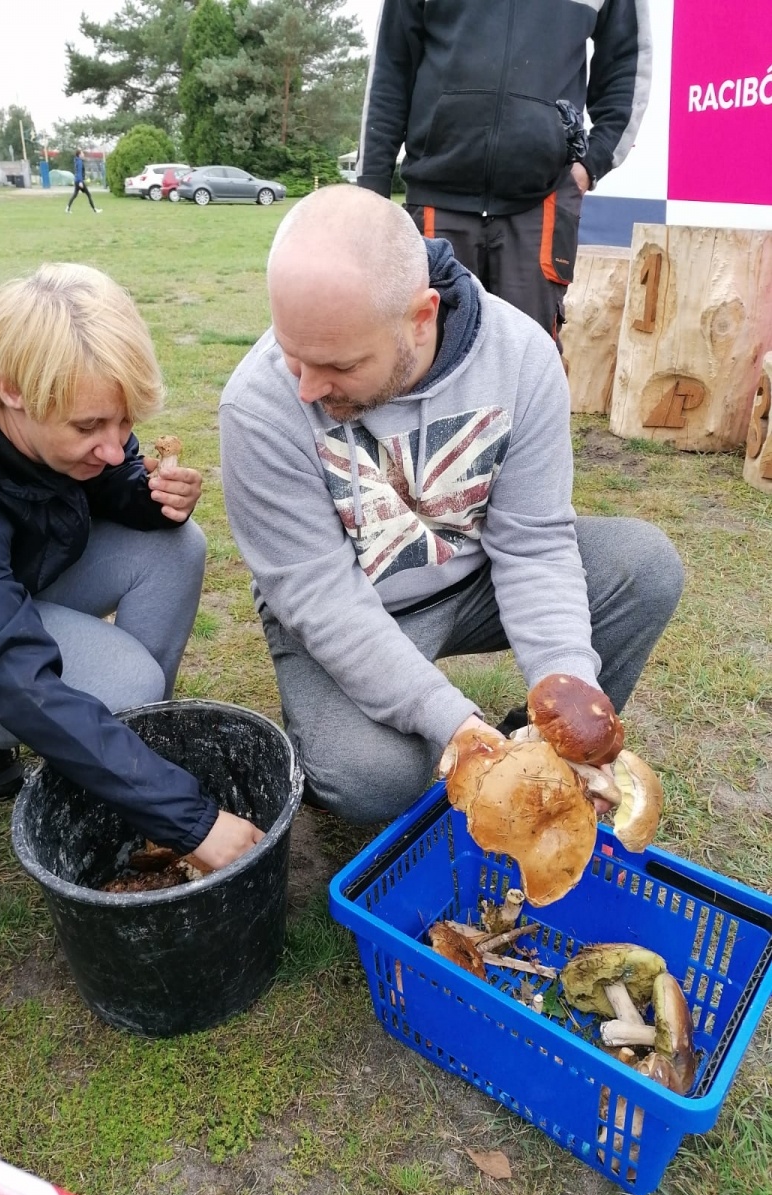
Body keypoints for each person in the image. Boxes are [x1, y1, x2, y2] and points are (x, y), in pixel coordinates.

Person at [219, 187, 683, 823]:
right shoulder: (257, 404)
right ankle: (432, 744)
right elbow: (320, 600)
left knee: (644, 564)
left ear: (421, 316)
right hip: (344, 608)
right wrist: (452, 725)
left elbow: (534, 546)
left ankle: (538, 749)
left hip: (472, 585)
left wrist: (567, 696)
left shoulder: (520, 356)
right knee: (377, 784)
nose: (306, 387)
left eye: (337, 365)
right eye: (292, 354)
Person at [0, 263, 263, 868]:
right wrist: (193, 821)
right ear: (11, 390)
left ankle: (124, 750)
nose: (113, 447)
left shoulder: (66, 390)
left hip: (17, 570)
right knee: (124, 683)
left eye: (125, 422)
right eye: (89, 428)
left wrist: (150, 496)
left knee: (177, 547)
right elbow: (16, 674)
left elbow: (112, 480)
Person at [356, 0, 651, 344]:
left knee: (529, 358)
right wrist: (371, 194)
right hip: (437, 196)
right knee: (425, 355)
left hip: (541, 203)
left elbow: (627, 63)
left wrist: (591, 164)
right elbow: (391, 69)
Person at [66, 150, 101, 215]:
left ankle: (67, 208)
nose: (83, 154)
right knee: (88, 194)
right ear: (79, 154)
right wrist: (80, 182)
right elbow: (79, 172)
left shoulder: (76, 161)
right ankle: (95, 210)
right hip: (79, 181)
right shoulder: (79, 161)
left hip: (76, 180)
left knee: (75, 195)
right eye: (82, 153)